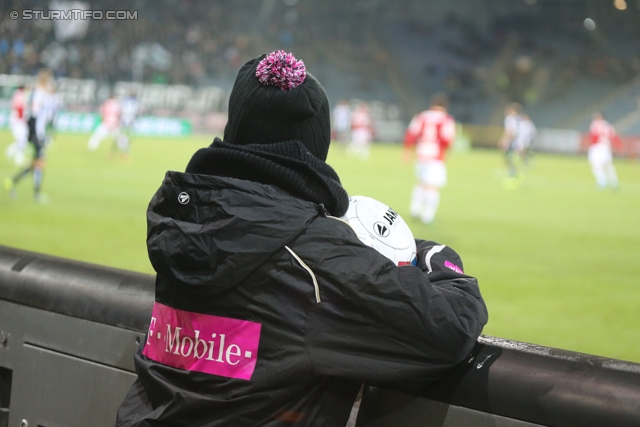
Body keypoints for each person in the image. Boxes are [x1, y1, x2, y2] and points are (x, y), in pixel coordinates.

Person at [115, 50, 487, 427]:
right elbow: (449, 330)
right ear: (315, 148)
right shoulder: (315, 258)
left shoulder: (183, 221)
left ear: (235, 130)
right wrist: (434, 259)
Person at [403, 92, 456, 225]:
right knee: (432, 186)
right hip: (435, 156)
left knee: (421, 182)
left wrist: (407, 150)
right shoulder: (446, 119)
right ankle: (428, 215)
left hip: (421, 154)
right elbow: (447, 140)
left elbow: (411, 133)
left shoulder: (422, 116)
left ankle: (415, 209)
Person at [4, 69, 54, 202]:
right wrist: (38, 136)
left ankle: (13, 183)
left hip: (36, 131)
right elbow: (35, 116)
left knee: (36, 163)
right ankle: (36, 194)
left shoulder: (38, 93)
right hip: (35, 132)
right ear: (45, 81)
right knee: (40, 161)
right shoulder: (38, 93)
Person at [588, 112, 620, 190]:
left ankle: (602, 181)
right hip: (606, 147)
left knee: (596, 164)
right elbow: (613, 136)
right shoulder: (608, 125)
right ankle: (614, 182)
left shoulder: (595, 124)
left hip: (597, 147)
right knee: (608, 165)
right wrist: (618, 145)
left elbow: (594, 137)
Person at [498, 102, 522, 187]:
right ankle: (513, 174)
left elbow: (510, 131)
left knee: (508, 158)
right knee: (510, 158)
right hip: (517, 141)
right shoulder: (518, 118)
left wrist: (504, 140)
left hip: (511, 141)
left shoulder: (510, 118)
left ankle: (512, 176)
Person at [5, 85, 28, 166]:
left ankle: (12, 151)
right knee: (23, 139)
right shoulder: (21, 95)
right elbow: (19, 108)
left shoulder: (16, 94)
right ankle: (17, 156)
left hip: (16, 119)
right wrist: (23, 119)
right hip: (18, 120)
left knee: (23, 139)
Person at [116, 91, 141, 158]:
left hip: (123, 119)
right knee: (129, 136)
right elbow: (138, 111)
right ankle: (125, 151)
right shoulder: (136, 101)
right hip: (131, 120)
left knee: (122, 135)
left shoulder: (124, 100)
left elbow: (120, 109)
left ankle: (119, 150)